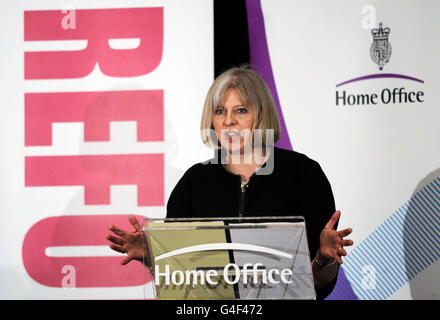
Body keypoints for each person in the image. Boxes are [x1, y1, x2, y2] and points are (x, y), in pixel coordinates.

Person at [106, 66, 353, 299]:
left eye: (241, 110)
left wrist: (323, 257)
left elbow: (319, 284)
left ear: (262, 113)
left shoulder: (304, 174)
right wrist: (154, 256)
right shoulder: (194, 183)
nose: (228, 121)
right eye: (220, 111)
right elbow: (180, 280)